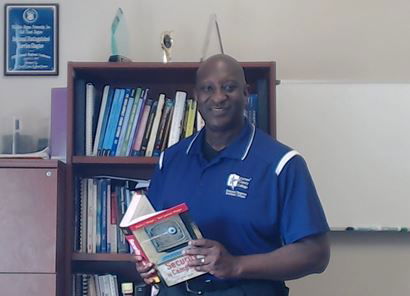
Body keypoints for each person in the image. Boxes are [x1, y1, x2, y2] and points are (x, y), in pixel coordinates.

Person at [135, 54, 330, 295]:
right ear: (196, 96)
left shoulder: (282, 164)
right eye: (208, 88)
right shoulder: (171, 159)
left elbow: (316, 254)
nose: (218, 97)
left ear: (246, 93)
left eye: (229, 87)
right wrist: (147, 262)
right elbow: (150, 233)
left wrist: (237, 265)